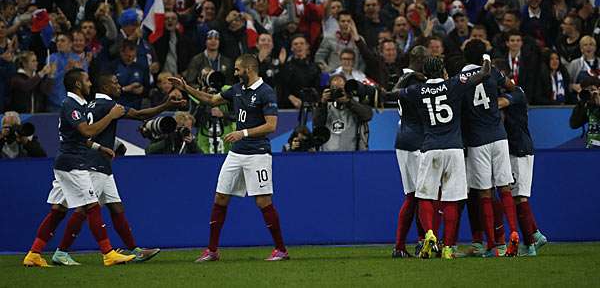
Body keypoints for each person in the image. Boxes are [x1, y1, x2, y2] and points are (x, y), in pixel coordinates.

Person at [49, 73, 185, 265]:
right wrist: (167, 105)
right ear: (105, 88)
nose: (119, 86)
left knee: (116, 206)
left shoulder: (89, 105)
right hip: (93, 165)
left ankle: (135, 250)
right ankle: (61, 251)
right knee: (83, 209)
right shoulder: (108, 106)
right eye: (114, 83)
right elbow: (140, 115)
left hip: (98, 163)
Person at [169, 54, 289, 261]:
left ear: (248, 70)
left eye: (237, 69)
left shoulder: (266, 92)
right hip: (236, 153)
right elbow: (211, 100)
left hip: (258, 154)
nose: (234, 73)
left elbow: (271, 126)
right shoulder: (237, 89)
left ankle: (281, 250)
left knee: (262, 201)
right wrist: (186, 88)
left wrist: (243, 133)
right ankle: (212, 250)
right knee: (220, 197)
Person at [22, 68, 135, 267]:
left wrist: (101, 147)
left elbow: (80, 137)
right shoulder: (70, 104)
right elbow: (87, 130)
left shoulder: (78, 105)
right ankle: (108, 254)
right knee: (92, 206)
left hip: (67, 161)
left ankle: (34, 253)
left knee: (58, 210)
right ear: (77, 84)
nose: (90, 83)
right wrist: (110, 115)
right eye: (86, 80)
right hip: (73, 163)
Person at [395, 56, 491, 259]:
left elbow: (392, 93)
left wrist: (405, 80)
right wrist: (485, 60)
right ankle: (448, 247)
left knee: (424, 197)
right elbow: (484, 74)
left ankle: (429, 234)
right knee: (451, 200)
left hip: (430, 149)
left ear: (425, 73)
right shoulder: (454, 84)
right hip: (454, 149)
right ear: (442, 70)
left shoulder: (417, 90)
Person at [460, 40, 520, 257]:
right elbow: (511, 86)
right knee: (504, 188)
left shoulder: (461, 79)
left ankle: (493, 244)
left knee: (484, 192)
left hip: (477, 141)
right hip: (499, 137)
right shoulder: (493, 72)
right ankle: (513, 233)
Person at [386, 46, 427, 258]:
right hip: (415, 140)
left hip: (402, 139)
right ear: (419, 59)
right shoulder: (415, 82)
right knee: (419, 195)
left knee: (414, 196)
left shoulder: (405, 78)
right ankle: (410, 243)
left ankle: (405, 245)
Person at [498, 86, 548, 256]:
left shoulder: (516, 93)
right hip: (518, 148)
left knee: (519, 197)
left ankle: (529, 244)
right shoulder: (512, 93)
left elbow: (499, 103)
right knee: (516, 196)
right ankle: (535, 234)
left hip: (519, 149)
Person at [312, 74, 373, 152]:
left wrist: (348, 101)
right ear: (329, 89)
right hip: (328, 154)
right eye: (334, 88)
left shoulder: (355, 103)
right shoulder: (325, 106)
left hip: (351, 155)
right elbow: (317, 124)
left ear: (346, 88)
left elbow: (368, 116)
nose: (338, 91)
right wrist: (322, 103)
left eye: (341, 88)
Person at [569, 77, 600, 149]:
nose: (590, 93)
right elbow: (574, 124)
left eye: (592, 90)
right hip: (592, 146)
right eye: (586, 91)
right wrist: (581, 104)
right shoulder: (586, 104)